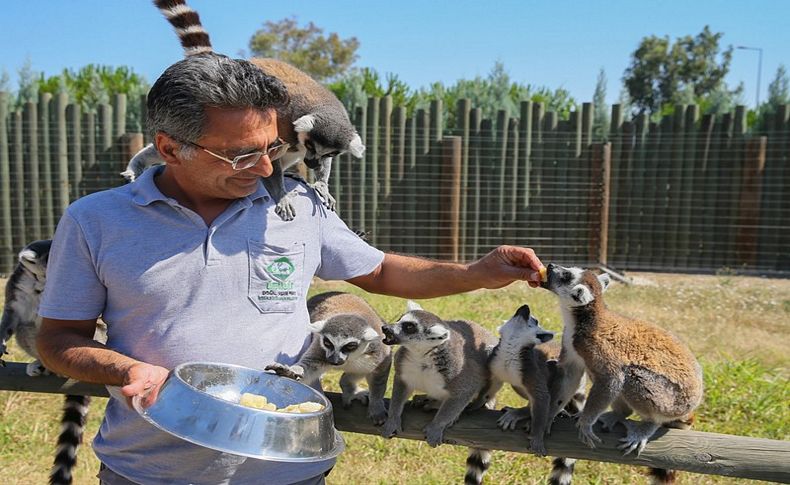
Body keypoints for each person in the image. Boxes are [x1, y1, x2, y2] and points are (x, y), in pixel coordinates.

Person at [36, 53, 544, 485]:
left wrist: (476, 273)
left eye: (272, 149)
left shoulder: (296, 204)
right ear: (169, 148)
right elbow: (58, 338)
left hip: (289, 467)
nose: (264, 170)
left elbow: (383, 272)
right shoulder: (96, 221)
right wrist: (126, 369)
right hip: (147, 470)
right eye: (240, 156)